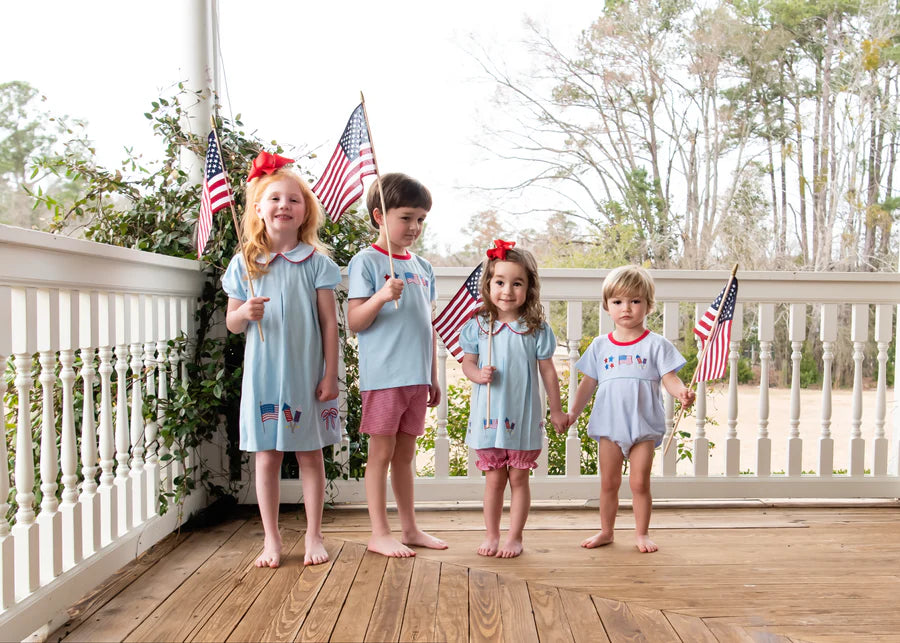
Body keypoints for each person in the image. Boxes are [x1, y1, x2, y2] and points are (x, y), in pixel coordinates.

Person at [223, 152, 342, 568]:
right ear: (258, 208)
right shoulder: (246, 264)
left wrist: (331, 374)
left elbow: (330, 325)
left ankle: (313, 534)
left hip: (306, 374)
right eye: (274, 198)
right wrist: (243, 313)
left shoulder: (316, 263)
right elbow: (232, 323)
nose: (284, 206)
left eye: (294, 199)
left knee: (310, 454)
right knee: (267, 457)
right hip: (263, 376)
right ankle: (271, 539)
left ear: (305, 209)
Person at [347, 173, 447, 558]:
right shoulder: (367, 262)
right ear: (379, 215)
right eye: (406, 217)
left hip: (416, 378)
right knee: (381, 454)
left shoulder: (423, 267)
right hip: (385, 378)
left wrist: (432, 376)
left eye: (421, 219)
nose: (415, 227)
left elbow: (426, 325)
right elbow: (356, 322)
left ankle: (410, 528)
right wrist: (381, 296)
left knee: (406, 457)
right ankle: (379, 532)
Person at [567, 265, 695, 553]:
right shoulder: (600, 346)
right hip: (610, 426)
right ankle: (606, 530)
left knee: (639, 483)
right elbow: (587, 384)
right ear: (606, 306)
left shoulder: (656, 345)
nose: (627, 308)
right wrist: (572, 413)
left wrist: (682, 392)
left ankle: (641, 533)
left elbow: (669, 378)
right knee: (609, 482)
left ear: (648, 305)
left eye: (635, 301)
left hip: (643, 427)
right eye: (618, 302)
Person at [460, 240, 567, 558]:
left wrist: (557, 410)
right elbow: (467, 362)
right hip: (488, 418)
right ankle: (492, 534)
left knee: (519, 477)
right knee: (494, 480)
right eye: (500, 282)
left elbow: (548, 373)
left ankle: (514, 537)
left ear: (528, 288)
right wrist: (477, 374)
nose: (507, 290)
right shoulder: (478, 326)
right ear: (489, 284)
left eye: (516, 283)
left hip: (521, 416)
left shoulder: (535, 329)